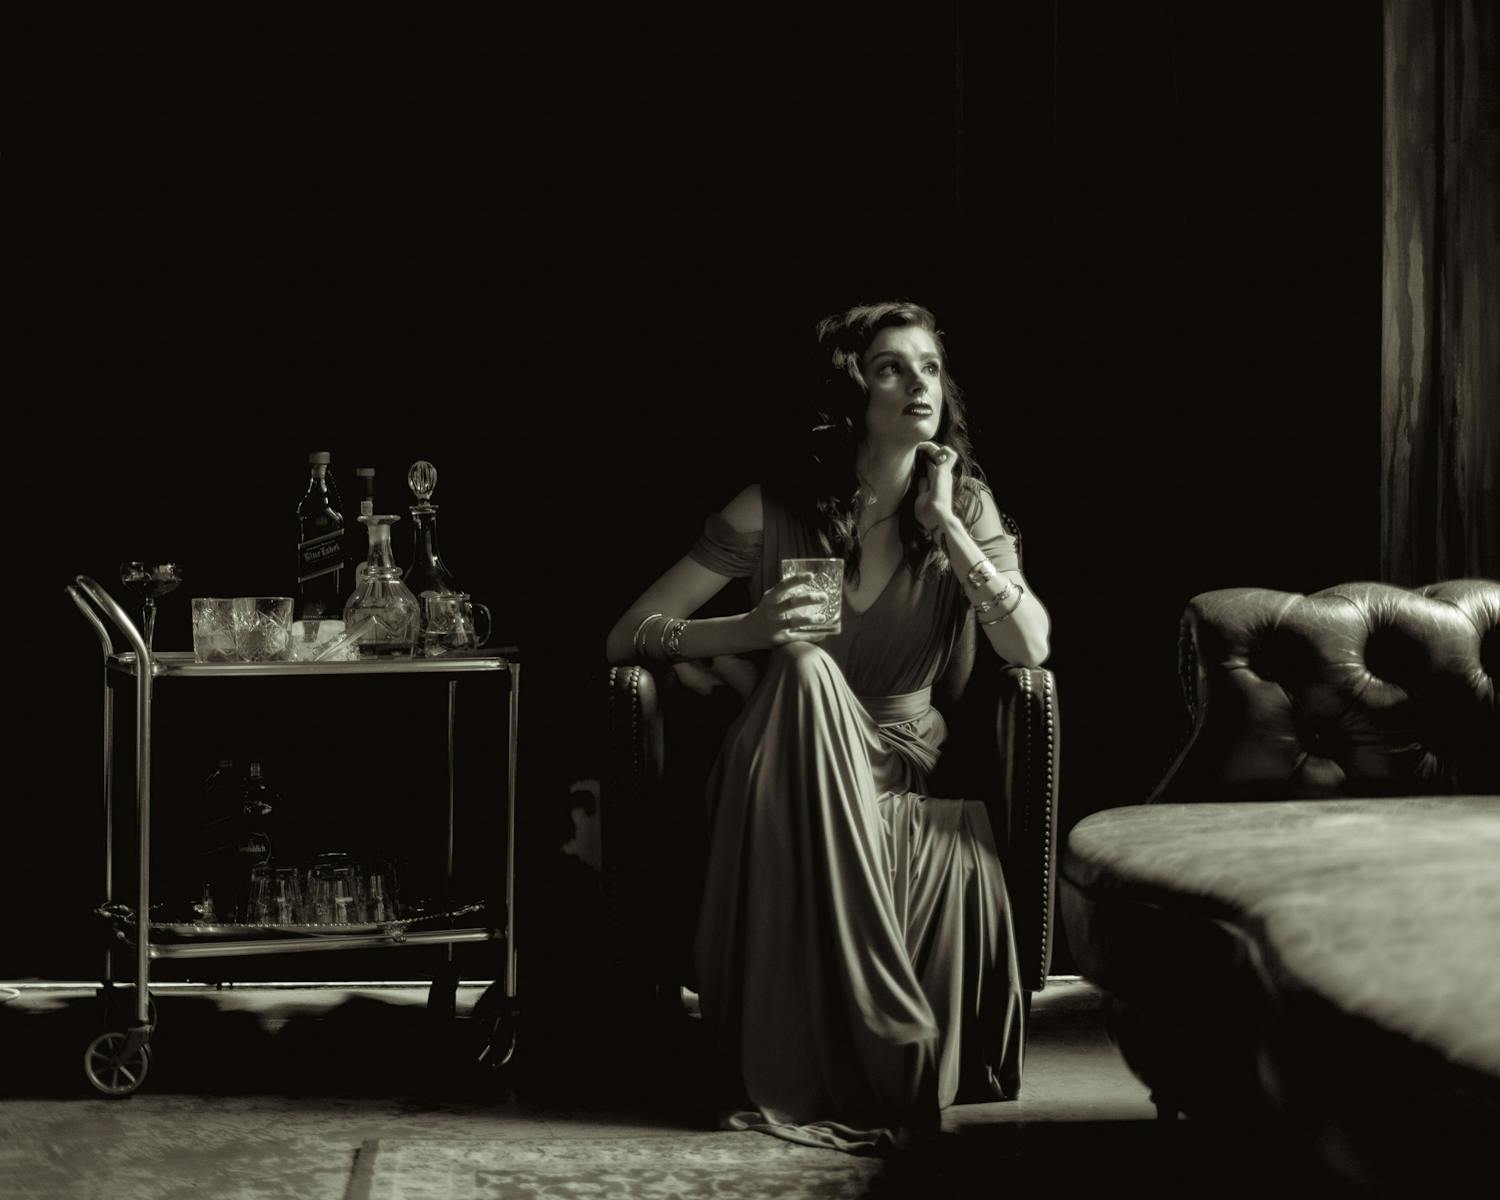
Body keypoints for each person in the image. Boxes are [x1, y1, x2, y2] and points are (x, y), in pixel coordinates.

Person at [604, 300, 1050, 1153]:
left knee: (815, 669)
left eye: (928, 365)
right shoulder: (769, 507)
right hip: (782, 760)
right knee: (806, 667)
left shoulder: (968, 509)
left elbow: (1029, 645)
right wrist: (749, 631)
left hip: (894, 764)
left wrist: (947, 526)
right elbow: (627, 635)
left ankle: (851, 1043)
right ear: (854, 392)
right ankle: (857, 1044)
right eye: (892, 366)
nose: (919, 381)